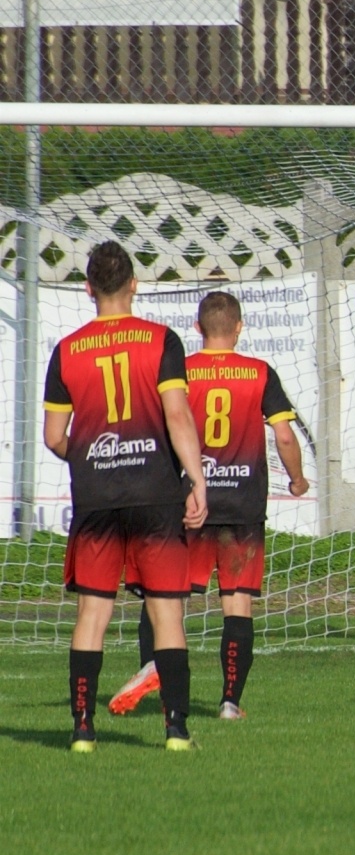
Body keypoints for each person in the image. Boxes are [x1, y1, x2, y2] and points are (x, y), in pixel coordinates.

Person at [108, 291, 311, 721]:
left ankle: (155, 671)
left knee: (164, 598)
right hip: (242, 507)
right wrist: (297, 479)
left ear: (198, 328)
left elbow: (161, 429)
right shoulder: (259, 373)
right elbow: (285, 436)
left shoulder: (181, 371)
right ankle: (229, 703)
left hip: (188, 503)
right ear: (239, 328)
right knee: (237, 603)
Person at [44, 241, 208, 753]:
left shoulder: (67, 350)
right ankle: (176, 730)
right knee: (166, 614)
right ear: (134, 284)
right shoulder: (161, 340)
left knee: (92, 614)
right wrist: (196, 478)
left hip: (96, 499)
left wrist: (90, 457)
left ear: (88, 288)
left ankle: (82, 730)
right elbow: (177, 415)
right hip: (155, 494)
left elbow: (53, 437)